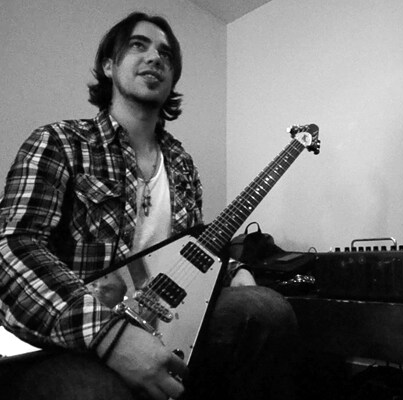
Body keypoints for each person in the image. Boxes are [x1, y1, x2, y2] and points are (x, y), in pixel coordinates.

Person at [0, 12, 299, 400]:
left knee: (267, 310)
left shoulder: (182, 164)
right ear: (109, 65)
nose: (155, 57)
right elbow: (13, 246)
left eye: (166, 54)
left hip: (164, 324)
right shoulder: (59, 141)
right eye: (138, 45)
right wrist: (108, 335)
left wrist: (234, 270)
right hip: (71, 339)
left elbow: (194, 248)